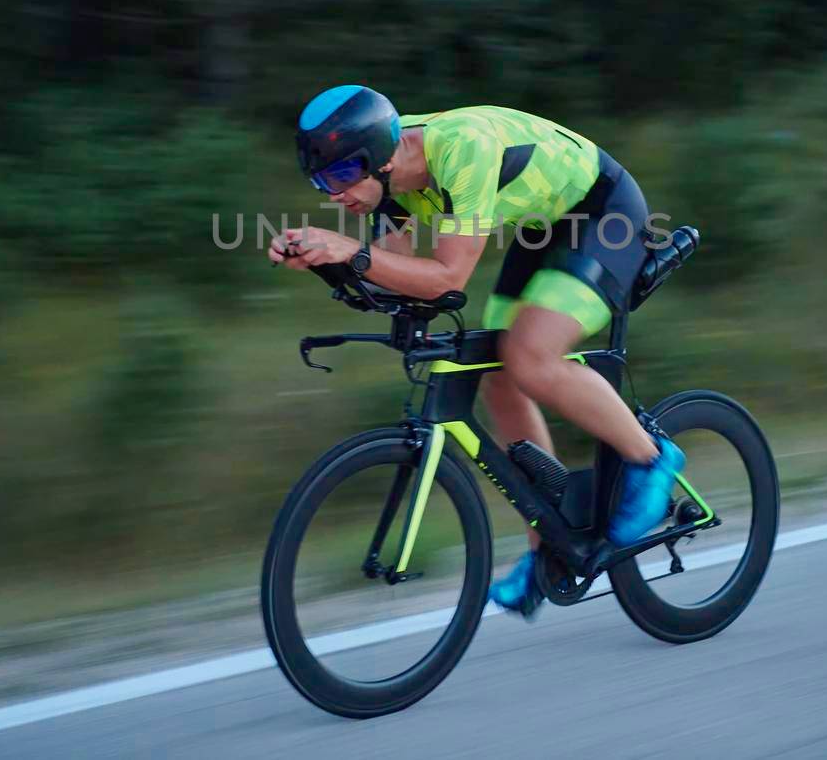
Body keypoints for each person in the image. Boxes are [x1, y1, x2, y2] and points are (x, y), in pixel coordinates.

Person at [268, 84, 684, 620]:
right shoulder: (387, 179)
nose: (333, 195)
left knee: (530, 356)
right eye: (322, 182)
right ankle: (549, 546)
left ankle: (650, 458)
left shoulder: (462, 149)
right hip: (542, 228)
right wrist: (326, 261)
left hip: (602, 215)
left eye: (341, 177)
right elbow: (396, 279)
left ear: (379, 160)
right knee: (496, 373)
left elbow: (446, 279)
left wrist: (349, 250)